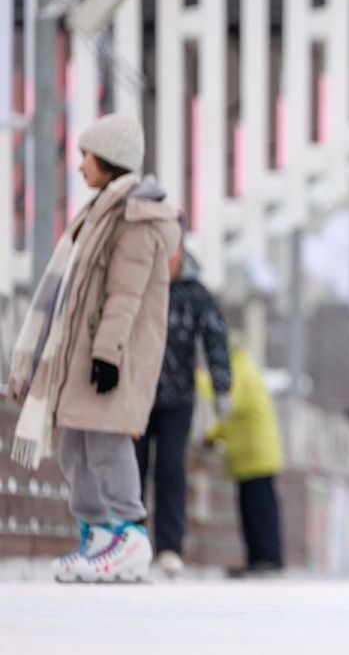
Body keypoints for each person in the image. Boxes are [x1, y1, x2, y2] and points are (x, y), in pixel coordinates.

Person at [7, 113, 180, 583]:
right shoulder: (98, 212)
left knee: (105, 443)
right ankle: (100, 534)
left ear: (109, 160)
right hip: (78, 354)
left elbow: (125, 294)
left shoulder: (136, 218)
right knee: (74, 447)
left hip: (106, 356)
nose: (80, 164)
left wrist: (107, 354)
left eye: (87, 155)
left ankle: (130, 533)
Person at [134, 244, 232, 577]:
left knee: (170, 469)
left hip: (178, 398)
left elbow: (216, 337)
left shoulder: (195, 294)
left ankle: (169, 547)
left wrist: (222, 387)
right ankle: (132, 540)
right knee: (133, 466)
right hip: (139, 394)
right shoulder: (139, 284)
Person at [199, 337, 285, 577]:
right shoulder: (243, 366)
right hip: (251, 456)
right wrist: (214, 434)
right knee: (252, 510)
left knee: (260, 510)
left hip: (255, 455)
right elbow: (229, 417)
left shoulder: (241, 369)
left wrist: (195, 378)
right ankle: (258, 559)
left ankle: (267, 558)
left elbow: (229, 400)